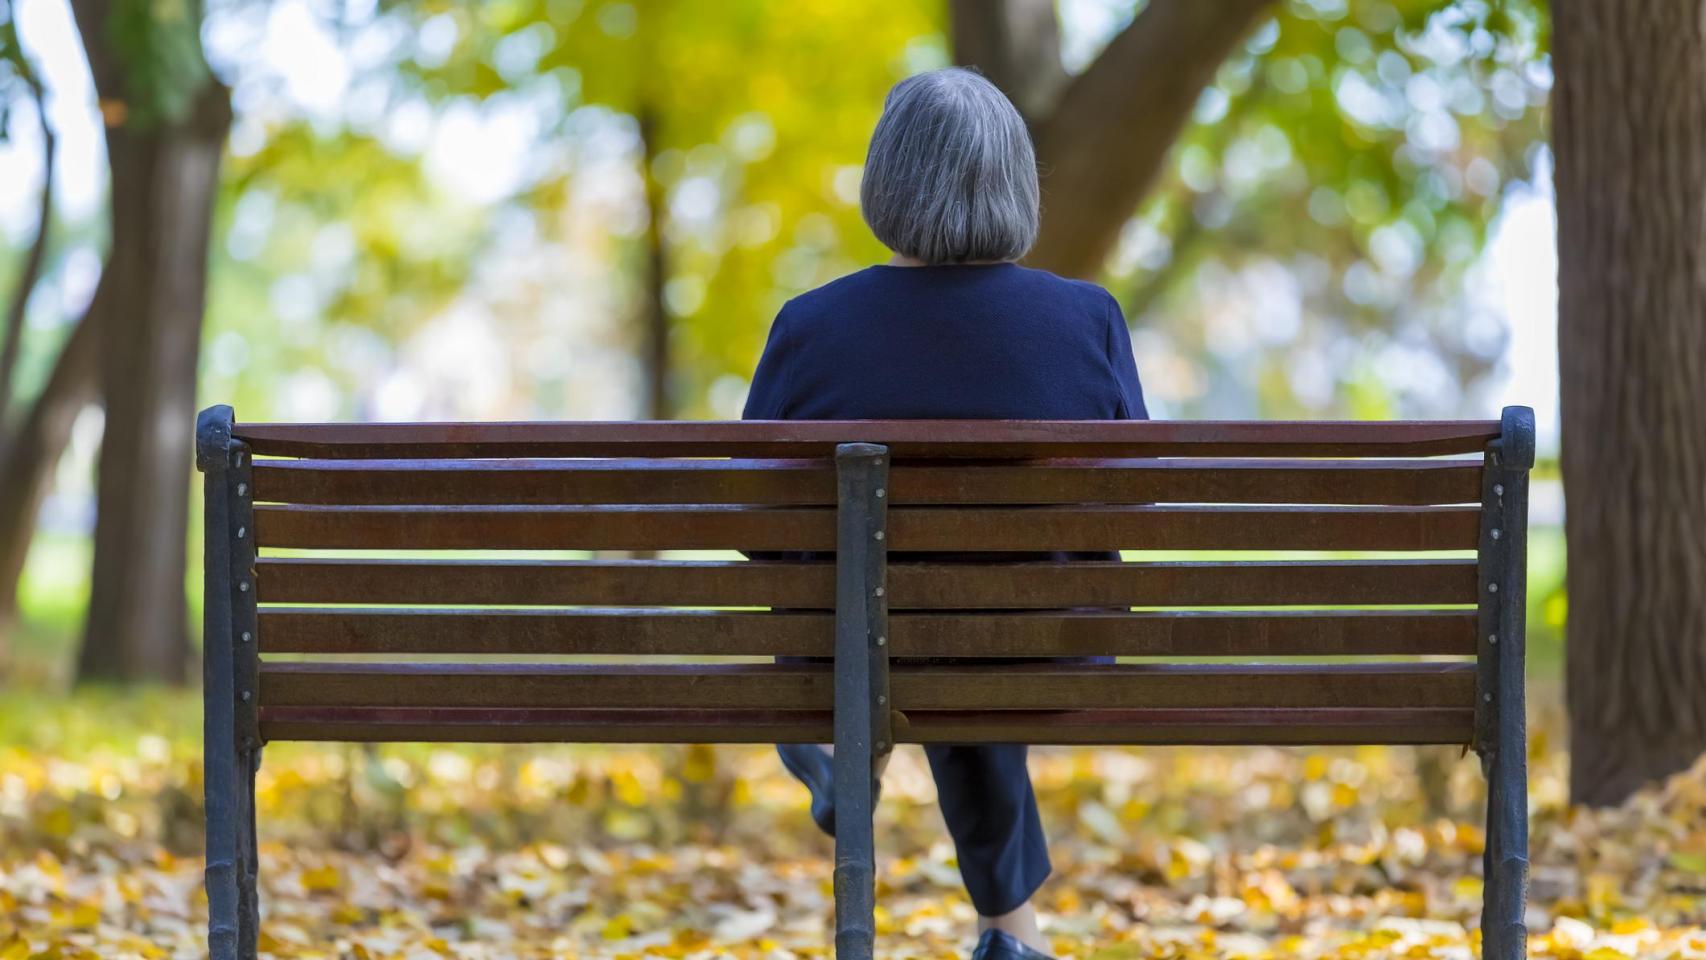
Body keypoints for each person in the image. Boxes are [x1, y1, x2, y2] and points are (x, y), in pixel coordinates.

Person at [742, 66, 1147, 960]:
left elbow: (754, 521)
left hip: (849, 648)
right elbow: (1132, 501)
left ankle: (846, 751)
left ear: (888, 179)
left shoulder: (809, 326)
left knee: (899, 616)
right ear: (1014, 181)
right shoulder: (1088, 319)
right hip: (1047, 645)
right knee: (972, 624)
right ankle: (1012, 933)